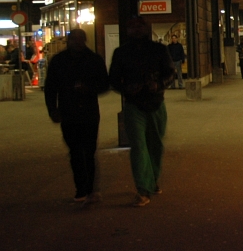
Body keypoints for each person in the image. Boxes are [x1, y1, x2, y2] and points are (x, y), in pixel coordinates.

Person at [108, 17, 175, 207]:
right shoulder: (121, 53)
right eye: (132, 27)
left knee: (155, 145)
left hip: (156, 102)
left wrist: (159, 84)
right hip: (133, 104)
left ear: (146, 29)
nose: (136, 30)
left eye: (140, 26)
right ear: (127, 30)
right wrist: (127, 88)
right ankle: (143, 188)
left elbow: (170, 73)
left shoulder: (159, 50)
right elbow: (113, 78)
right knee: (138, 146)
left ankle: (152, 180)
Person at [44, 29, 109, 203]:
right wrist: (52, 109)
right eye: (74, 39)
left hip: (88, 111)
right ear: (69, 40)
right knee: (75, 151)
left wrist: (89, 89)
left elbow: (104, 84)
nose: (77, 42)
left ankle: (90, 188)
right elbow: (50, 88)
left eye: (80, 39)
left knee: (89, 151)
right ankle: (81, 188)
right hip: (68, 111)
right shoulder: (59, 61)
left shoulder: (93, 60)